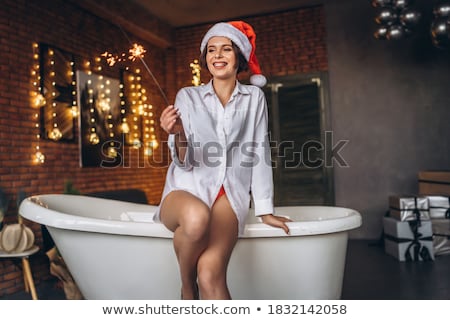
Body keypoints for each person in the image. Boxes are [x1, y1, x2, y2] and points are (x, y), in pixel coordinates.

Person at [157, 21, 291, 300]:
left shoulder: (254, 97)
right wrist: (178, 134)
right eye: (211, 50)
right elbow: (184, 163)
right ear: (206, 59)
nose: (217, 56)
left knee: (209, 270)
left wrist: (265, 209)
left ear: (238, 56)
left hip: (230, 195)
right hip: (185, 190)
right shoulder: (188, 96)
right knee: (195, 219)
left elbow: (258, 150)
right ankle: (186, 287)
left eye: (225, 49)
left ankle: (194, 284)